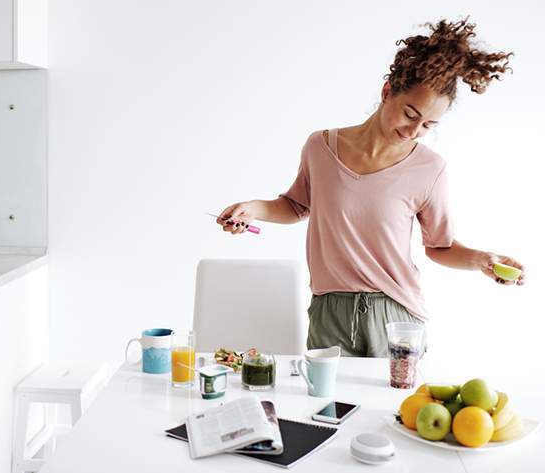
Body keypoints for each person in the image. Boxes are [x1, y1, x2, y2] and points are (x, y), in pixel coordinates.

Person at [216, 18, 524, 357]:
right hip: (328, 310)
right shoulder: (320, 147)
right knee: (323, 409)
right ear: (387, 91)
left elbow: (440, 246)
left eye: (429, 124)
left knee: (393, 411)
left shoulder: (430, 169)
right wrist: (251, 208)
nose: (414, 129)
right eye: (410, 114)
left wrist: (483, 260)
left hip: (396, 314)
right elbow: (295, 205)